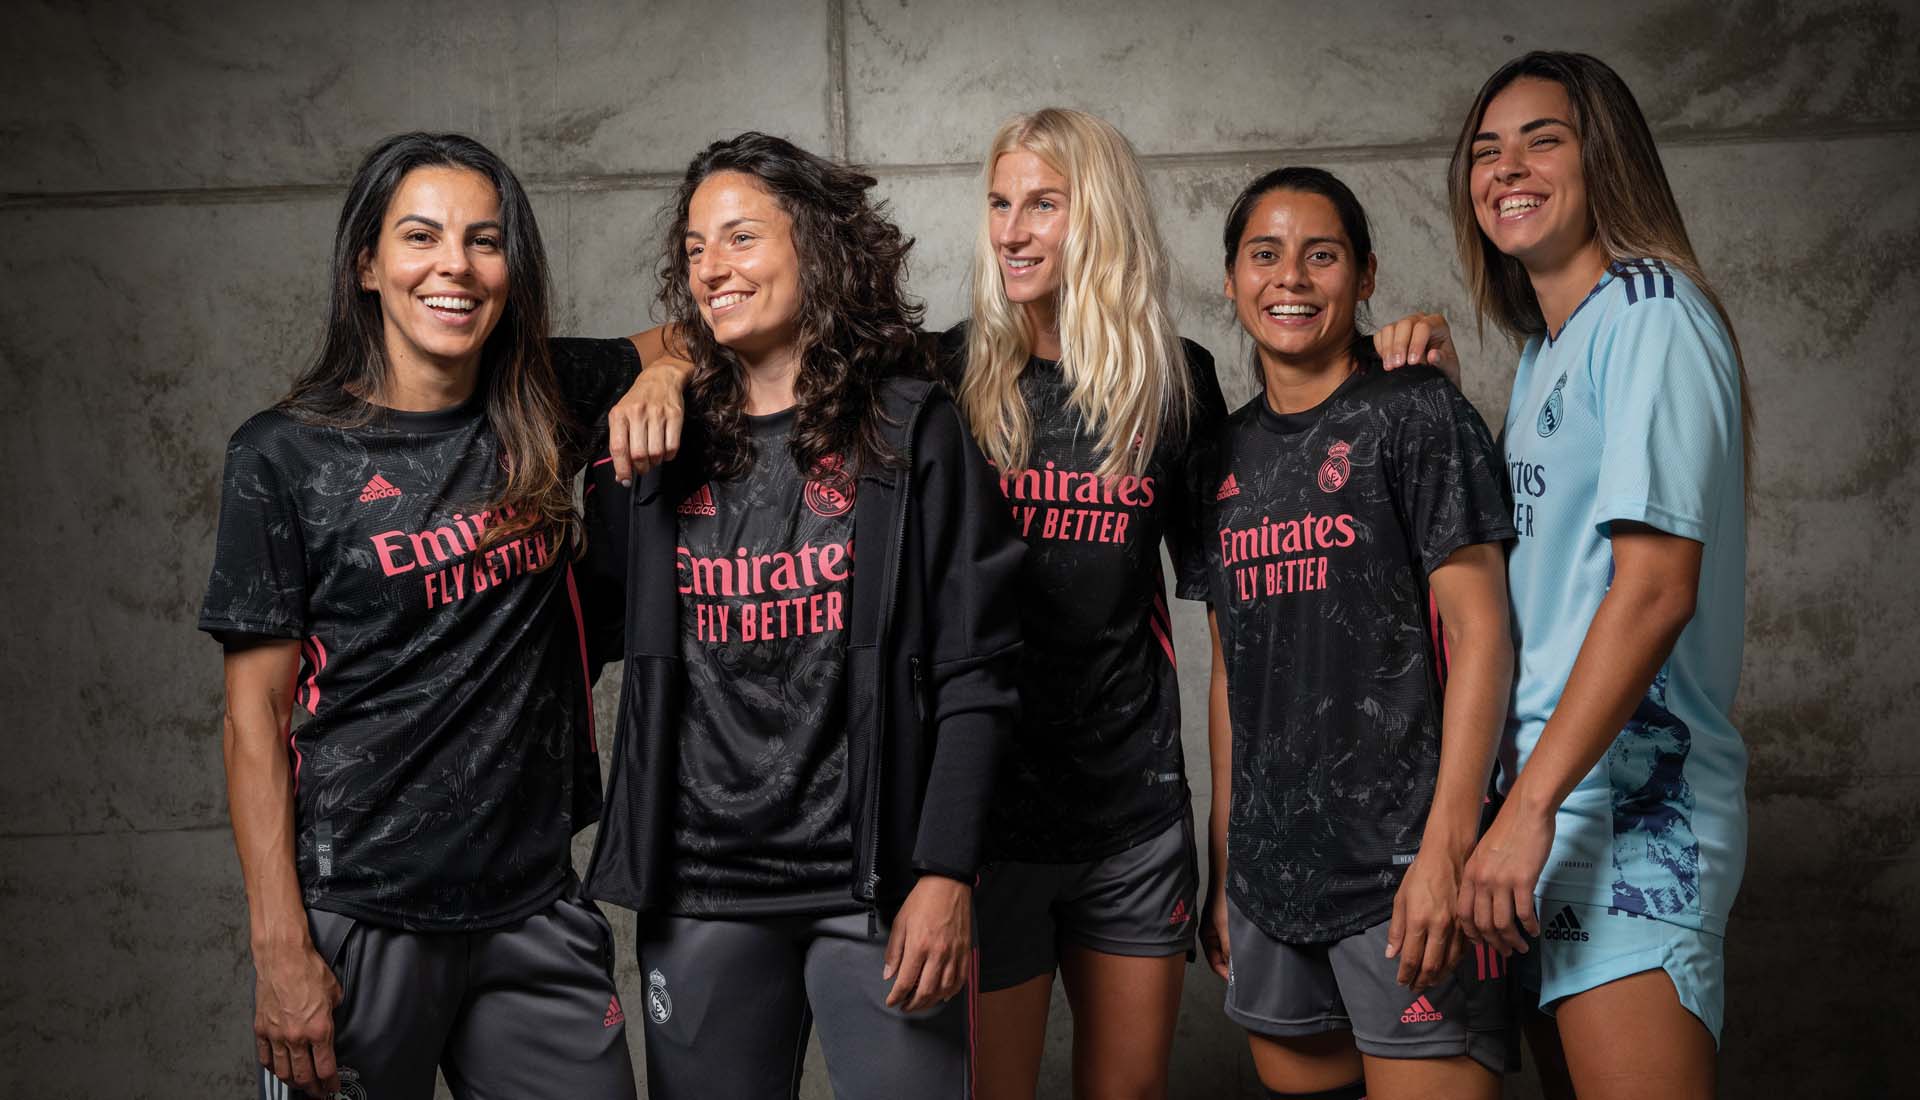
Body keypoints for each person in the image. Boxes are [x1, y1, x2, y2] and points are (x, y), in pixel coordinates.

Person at [578, 131, 1024, 1100]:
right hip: (699, 888)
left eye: (741, 237)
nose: (712, 267)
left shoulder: (912, 429)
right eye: (695, 248)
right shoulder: (651, 446)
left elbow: (977, 670)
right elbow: (572, 635)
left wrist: (945, 872)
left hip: (874, 886)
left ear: (816, 248)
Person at [199, 133, 642, 1099]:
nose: (456, 266)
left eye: (485, 240)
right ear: (367, 264)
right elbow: (252, 719)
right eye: (421, 237)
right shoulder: (284, 456)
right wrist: (280, 948)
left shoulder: (544, 401)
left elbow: (690, 341)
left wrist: (660, 383)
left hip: (531, 906)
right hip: (360, 913)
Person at [1396, 50, 1752, 1100]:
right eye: (1485, 150)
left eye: (1541, 140)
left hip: (1635, 814)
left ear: (1604, 158)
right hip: (1548, 811)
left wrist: (1529, 809)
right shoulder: (1550, 350)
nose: (1507, 167)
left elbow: (1655, 588)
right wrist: (1447, 409)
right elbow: (1546, 577)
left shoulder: (1651, 313)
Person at [1200, 166, 1518, 1100]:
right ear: (1231, 278)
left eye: (1322, 255)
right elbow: (1228, 675)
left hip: (1402, 871)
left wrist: (1447, 854)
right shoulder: (1217, 455)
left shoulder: (1415, 413)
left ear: (1366, 274)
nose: (1290, 278)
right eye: (1265, 254)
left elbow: (1482, 636)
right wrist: (1226, 869)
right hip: (1270, 884)